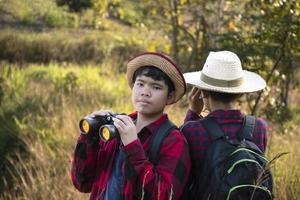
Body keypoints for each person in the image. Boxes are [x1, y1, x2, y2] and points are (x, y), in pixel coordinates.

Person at [71, 52, 191, 200]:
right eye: (140, 84)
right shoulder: (115, 128)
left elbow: (164, 196)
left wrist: (133, 147)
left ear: (170, 96)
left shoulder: (173, 140)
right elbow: (82, 183)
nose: (145, 92)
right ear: (133, 87)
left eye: (156, 87)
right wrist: (89, 137)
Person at [181, 50, 268, 197]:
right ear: (240, 92)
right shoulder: (259, 127)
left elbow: (187, 174)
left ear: (203, 92)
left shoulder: (192, 130)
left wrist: (193, 114)